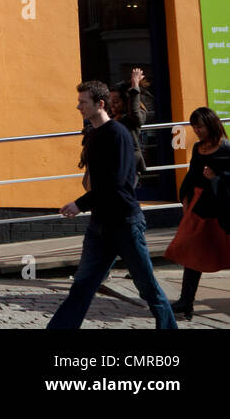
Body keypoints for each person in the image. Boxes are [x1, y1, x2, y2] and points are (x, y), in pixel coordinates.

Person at [46, 80, 178, 329]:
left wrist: (80, 203)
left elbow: (116, 183)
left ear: (100, 104)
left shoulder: (117, 134)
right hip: (100, 225)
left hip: (125, 223)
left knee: (146, 285)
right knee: (83, 285)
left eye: (83, 102)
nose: (78, 107)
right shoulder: (94, 135)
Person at [164, 107, 230, 319]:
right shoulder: (197, 148)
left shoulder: (226, 148)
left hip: (223, 211)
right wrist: (185, 197)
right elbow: (192, 174)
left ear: (210, 125)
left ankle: (186, 302)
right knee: (193, 253)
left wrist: (216, 179)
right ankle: (186, 301)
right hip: (200, 208)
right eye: (194, 127)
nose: (197, 131)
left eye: (199, 127)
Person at [109, 67, 149, 184]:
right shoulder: (109, 118)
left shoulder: (131, 118)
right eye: (110, 101)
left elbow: (135, 113)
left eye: (116, 102)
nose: (112, 106)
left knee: (123, 198)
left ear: (126, 101)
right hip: (112, 165)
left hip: (128, 165)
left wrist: (135, 86)